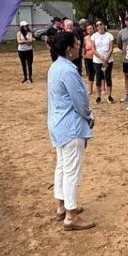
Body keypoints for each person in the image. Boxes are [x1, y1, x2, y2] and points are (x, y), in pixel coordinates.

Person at [47, 30, 95, 231]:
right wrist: (89, 116)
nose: (79, 46)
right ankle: (70, 215)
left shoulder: (56, 67)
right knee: (71, 170)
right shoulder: (68, 70)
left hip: (58, 124)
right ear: (69, 50)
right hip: (70, 125)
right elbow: (80, 100)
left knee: (62, 167)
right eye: (76, 43)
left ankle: (62, 205)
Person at [91, 19, 115, 104]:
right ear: (96, 27)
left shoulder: (109, 35)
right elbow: (93, 49)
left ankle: (109, 96)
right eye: (97, 25)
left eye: (101, 24)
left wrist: (106, 58)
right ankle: (98, 96)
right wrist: (101, 57)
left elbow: (111, 48)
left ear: (104, 25)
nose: (99, 26)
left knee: (108, 77)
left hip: (108, 59)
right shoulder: (94, 36)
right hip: (97, 60)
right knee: (98, 78)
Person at [82, 23, 97, 96]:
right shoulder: (85, 38)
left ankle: (103, 88)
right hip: (88, 57)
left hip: (96, 57)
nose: (90, 30)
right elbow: (83, 48)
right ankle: (90, 89)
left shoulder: (97, 36)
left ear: (94, 29)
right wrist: (83, 55)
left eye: (91, 28)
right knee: (90, 74)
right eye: (88, 29)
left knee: (99, 72)